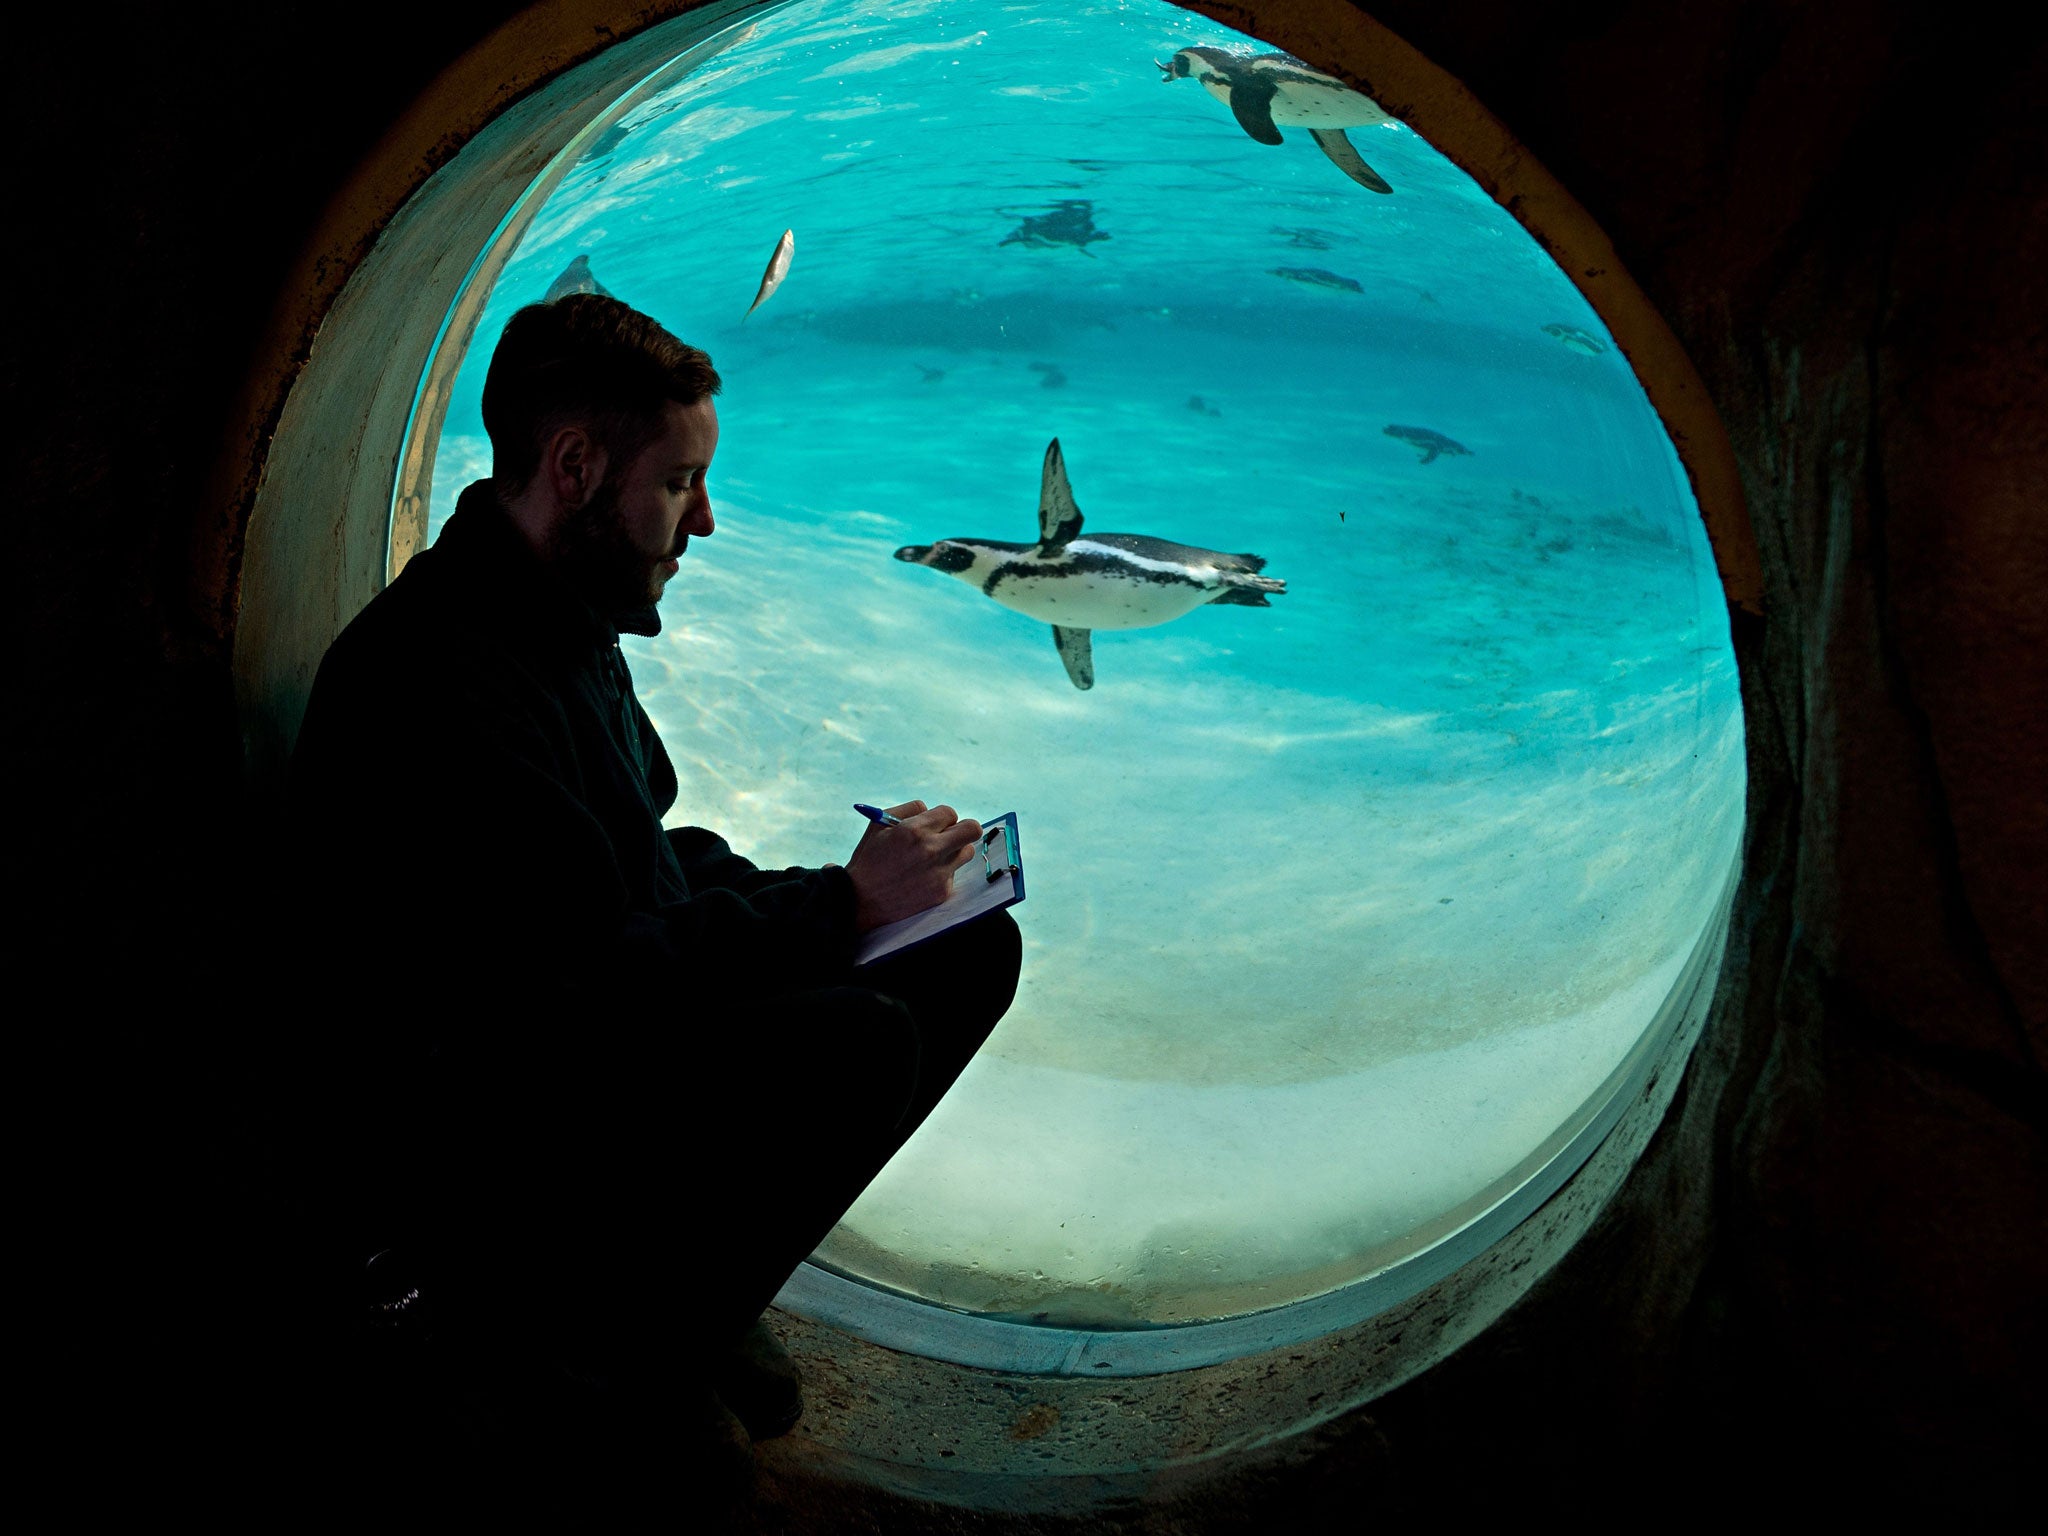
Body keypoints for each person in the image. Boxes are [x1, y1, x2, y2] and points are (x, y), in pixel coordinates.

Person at [287, 293, 1021, 1480]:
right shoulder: (434, 684)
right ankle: (591, 1357)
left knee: (967, 944)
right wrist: (833, 915)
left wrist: (865, 889)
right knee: (854, 1046)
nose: (707, 522)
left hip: (576, 1035)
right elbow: (574, 986)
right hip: (477, 1147)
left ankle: (683, 1291)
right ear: (575, 467)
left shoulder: (555, 617)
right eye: (680, 484)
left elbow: (650, 856)